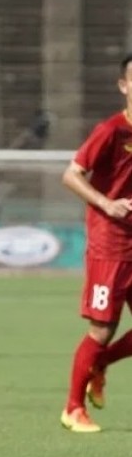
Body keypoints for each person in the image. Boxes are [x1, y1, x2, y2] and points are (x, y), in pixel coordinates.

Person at [60, 52, 132, 434]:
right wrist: (106, 203)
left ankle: (99, 364)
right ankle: (72, 409)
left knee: (104, 343)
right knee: (101, 330)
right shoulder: (111, 131)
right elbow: (71, 175)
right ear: (124, 86)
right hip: (111, 247)